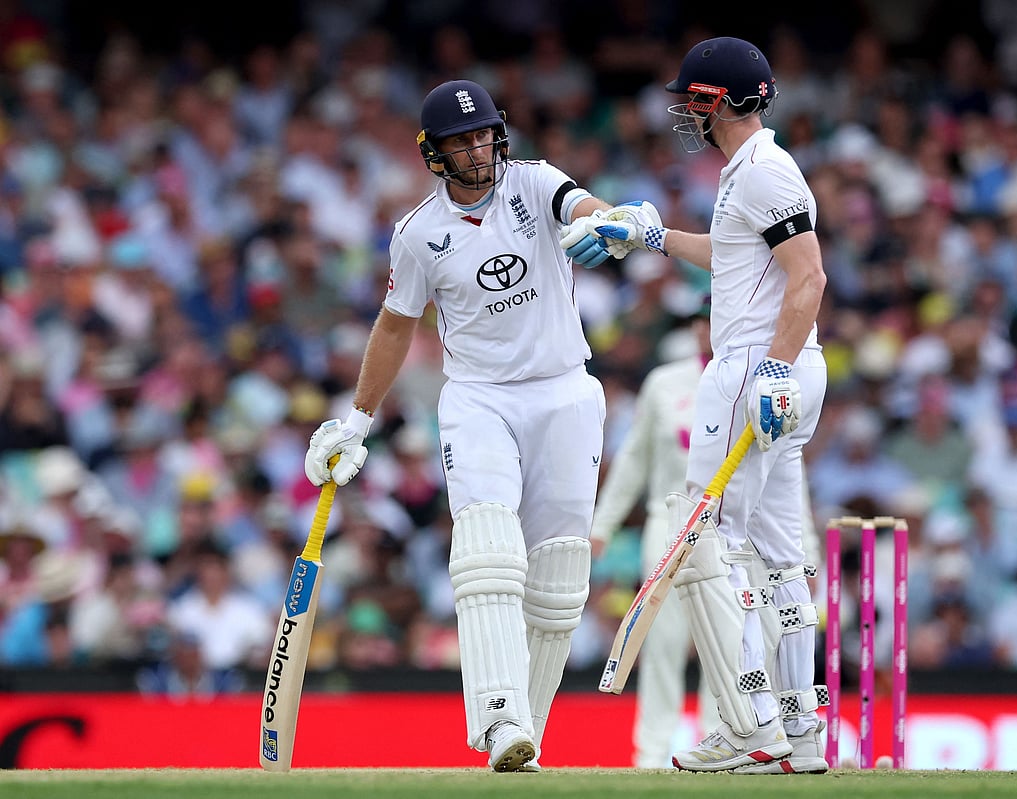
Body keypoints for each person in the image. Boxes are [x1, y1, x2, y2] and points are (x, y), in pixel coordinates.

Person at [304, 79, 627, 773]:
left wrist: (614, 223)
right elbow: (395, 328)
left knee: (561, 572)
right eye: (461, 140)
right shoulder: (420, 233)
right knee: (488, 551)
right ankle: (499, 713)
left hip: (566, 390)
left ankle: (524, 735)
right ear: (435, 153)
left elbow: (586, 207)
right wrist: (357, 420)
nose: (477, 149)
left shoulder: (536, 183)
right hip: (479, 398)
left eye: (483, 134)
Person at [581, 37, 830, 774]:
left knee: (703, 544)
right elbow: (732, 258)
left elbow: (809, 276)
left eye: (696, 97)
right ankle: (800, 730)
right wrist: (655, 235)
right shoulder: (743, 176)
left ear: (725, 100)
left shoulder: (764, 171)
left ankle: (747, 723)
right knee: (779, 557)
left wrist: (774, 371)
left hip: (758, 365)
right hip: (772, 365)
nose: (687, 108)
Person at [589, 305, 721, 767]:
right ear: (693, 329)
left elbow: (787, 472)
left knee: (725, 645)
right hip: (668, 524)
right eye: (701, 322)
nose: (708, 330)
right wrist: (603, 523)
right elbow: (633, 459)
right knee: (661, 640)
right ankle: (651, 751)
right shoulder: (665, 383)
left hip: (727, 529)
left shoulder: (749, 380)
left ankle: (721, 742)